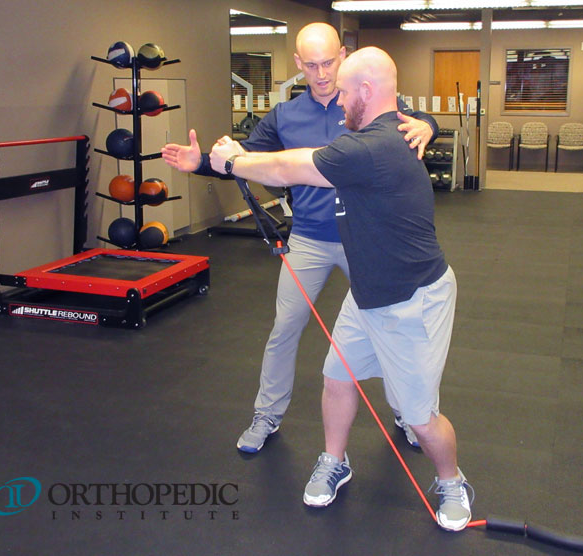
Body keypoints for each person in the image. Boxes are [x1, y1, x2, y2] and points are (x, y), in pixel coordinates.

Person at [208, 46, 473, 532]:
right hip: (367, 290)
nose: (341, 102)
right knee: (336, 377)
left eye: (347, 92)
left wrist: (233, 162)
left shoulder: (370, 148)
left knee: (419, 416)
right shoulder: (388, 132)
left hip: (411, 298)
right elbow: (294, 160)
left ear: (365, 92)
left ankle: (452, 480)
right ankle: (335, 460)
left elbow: (288, 168)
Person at [161, 23, 438, 454]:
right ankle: (267, 414)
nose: (322, 74)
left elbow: (410, 121)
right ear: (297, 64)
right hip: (309, 239)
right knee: (284, 328)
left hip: (365, 240)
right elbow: (246, 159)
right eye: (311, 65)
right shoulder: (285, 116)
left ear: (343, 56)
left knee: (389, 329)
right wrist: (201, 163)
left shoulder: (362, 102)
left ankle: (408, 413)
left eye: (328, 63)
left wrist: (429, 126)